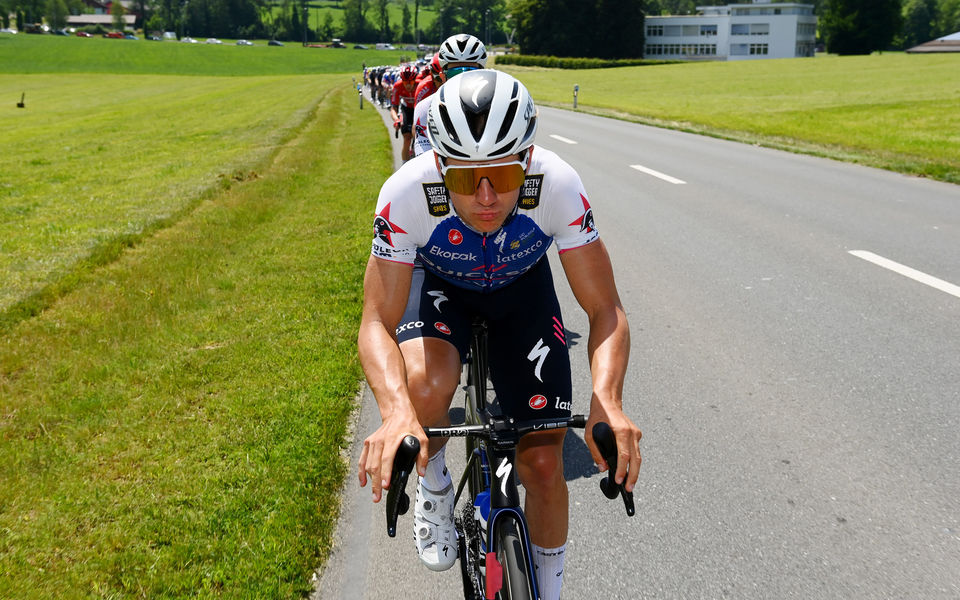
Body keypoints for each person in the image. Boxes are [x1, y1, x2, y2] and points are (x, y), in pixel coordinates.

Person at [357, 69, 642, 600]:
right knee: (425, 384)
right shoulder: (406, 194)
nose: (486, 197)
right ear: (439, 165)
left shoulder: (557, 185)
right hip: (439, 283)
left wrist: (608, 398)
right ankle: (435, 480)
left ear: (527, 161)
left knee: (542, 462)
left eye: (504, 175)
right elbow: (376, 320)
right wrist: (396, 413)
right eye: (465, 179)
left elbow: (605, 307)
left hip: (519, 289)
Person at [410, 33, 487, 158]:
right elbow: (423, 158)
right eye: (454, 74)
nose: (462, 80)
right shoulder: (425, 108)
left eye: (470, 73)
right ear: (442, 77)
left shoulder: (498, 105)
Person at [389, 65, 419, 162]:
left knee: (420, 139)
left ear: (415, 79)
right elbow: (393, 108)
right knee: (407, 138)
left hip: (417, 109)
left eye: (410, 82)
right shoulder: (397, 86)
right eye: (405, 82)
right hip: (406, 110)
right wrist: (396, 120)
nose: (408, 85)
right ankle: (404, 164)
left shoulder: (421, 84)